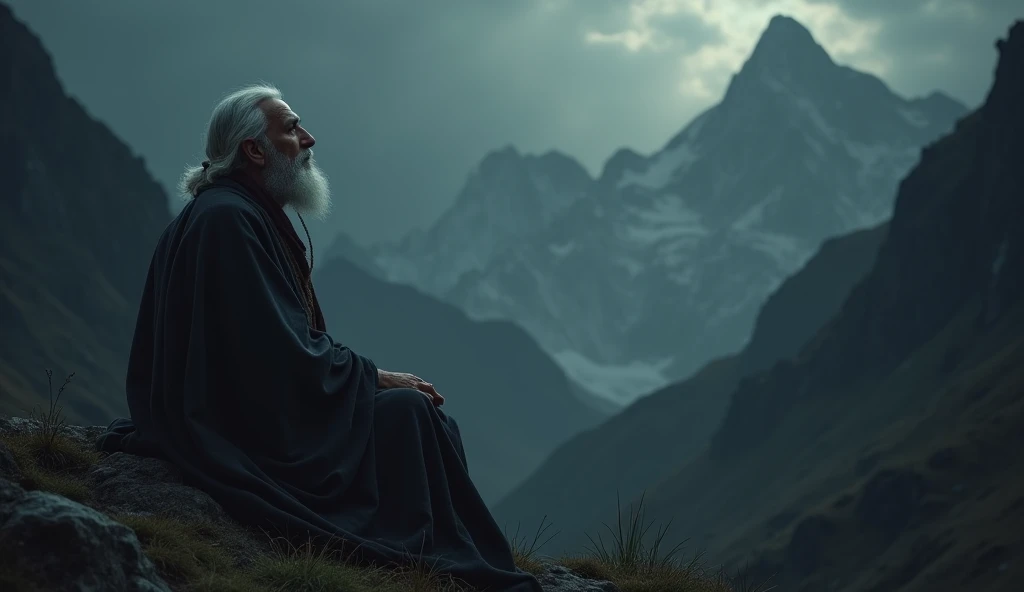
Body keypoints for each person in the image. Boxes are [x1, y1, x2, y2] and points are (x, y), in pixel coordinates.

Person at [96, 83, 542, 592]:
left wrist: (364, 380)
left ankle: (436, 549)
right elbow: (276, 353)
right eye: (291, 128)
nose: (309, 139)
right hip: (242, 430)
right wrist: (373, 378)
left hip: (250, 411)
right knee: (412, 416)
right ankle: (429, 557)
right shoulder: (228, 220)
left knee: (414, 415)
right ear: (254, 150)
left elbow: (273, 345)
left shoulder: (237, 212)